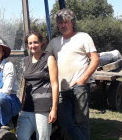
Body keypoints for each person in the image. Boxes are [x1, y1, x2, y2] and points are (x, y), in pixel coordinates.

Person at [46, 8, 99, 140]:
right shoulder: (54, 42)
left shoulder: (83, 37)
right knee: (64, 121)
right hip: (62, 88)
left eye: (66, 22)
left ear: (72, 22)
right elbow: (43, 58)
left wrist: (82, 80)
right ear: (57, 25)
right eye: (60, 23)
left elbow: (95, 59)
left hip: (79, 87)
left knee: (81, 121)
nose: (63, 25)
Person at [16, 31, 59, 140]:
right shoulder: (25, 61)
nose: (33, 45)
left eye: (35, 42)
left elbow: (54, 84)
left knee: (42, 138)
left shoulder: (49, 58)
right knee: (21, 137)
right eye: (30, 43)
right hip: (27, 107)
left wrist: (54, 109)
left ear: (41, 43)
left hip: (43, 107)